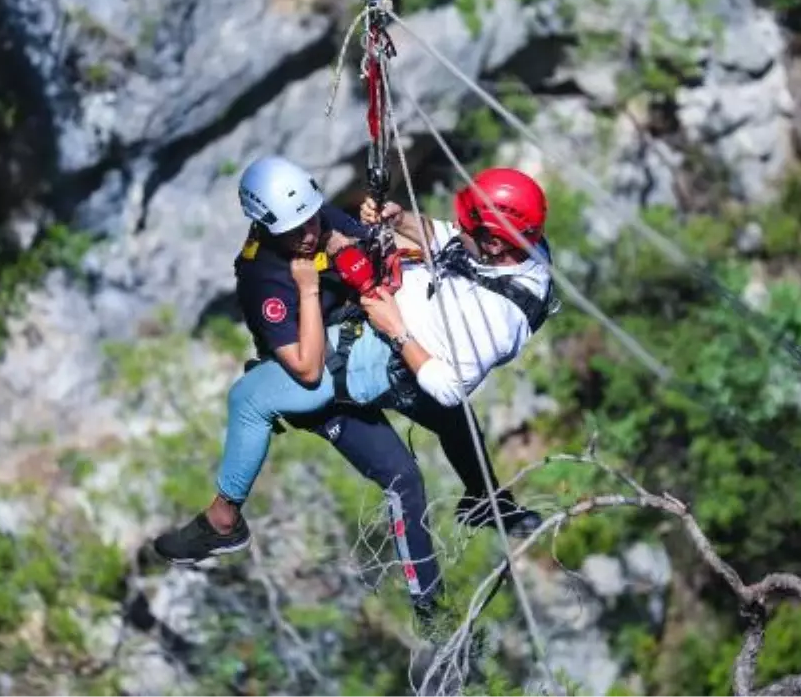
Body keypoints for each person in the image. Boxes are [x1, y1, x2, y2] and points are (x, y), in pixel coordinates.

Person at [152, 157, 551, 613]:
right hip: (328, 377)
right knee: (258, 403)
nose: (308, 233)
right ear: (266, 227)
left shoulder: (312, 219)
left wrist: (374, 237)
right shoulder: (262, 277)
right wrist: (311, 287)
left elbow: (371, 244)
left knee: (452, 416)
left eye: (311, 220)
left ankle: (484, 502)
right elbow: (306, 369)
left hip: (376, 346)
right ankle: (222, 522)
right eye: (296, 228)